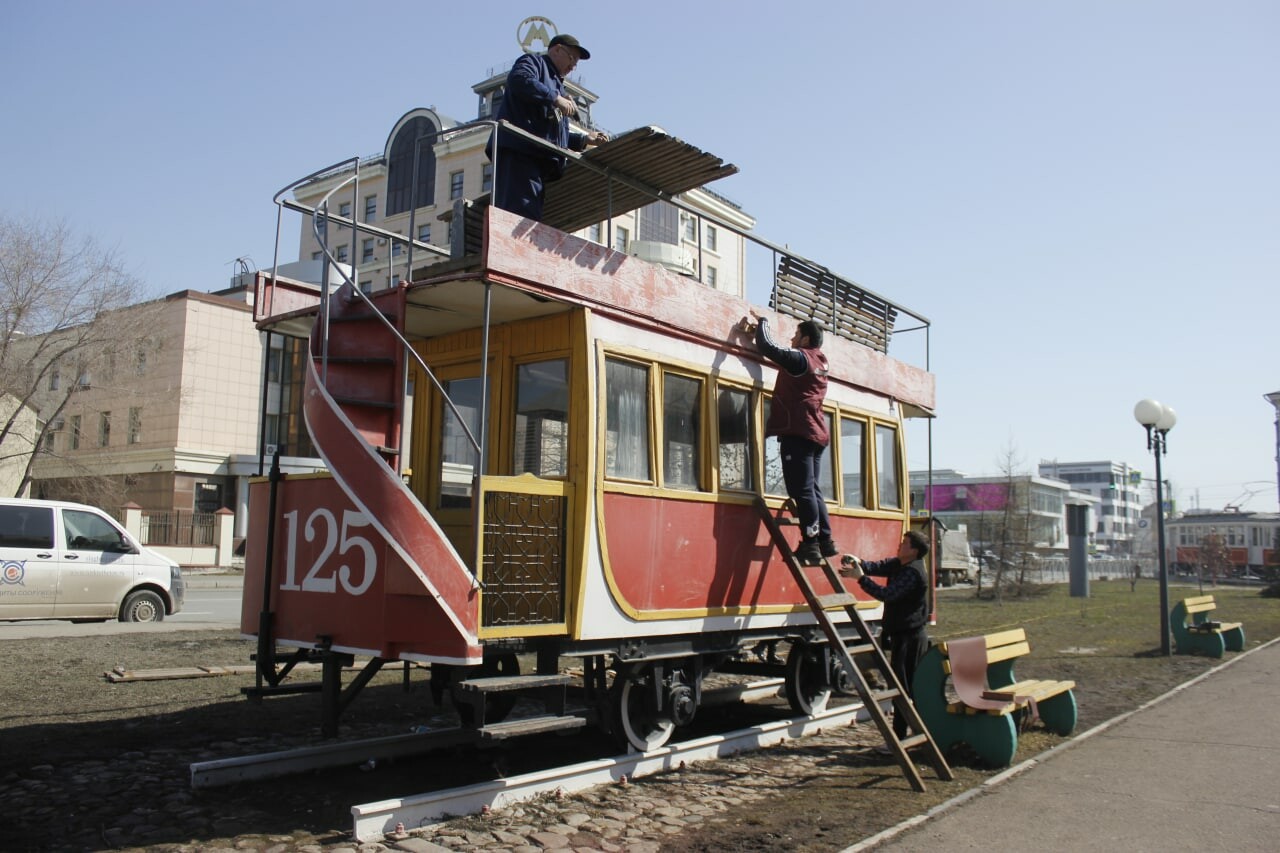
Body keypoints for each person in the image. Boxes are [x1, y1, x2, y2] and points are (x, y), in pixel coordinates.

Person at [745, 309, 835, 566]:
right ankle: (825, 540)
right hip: (815, 431)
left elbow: (768, 347)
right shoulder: (820, 362)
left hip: (798, 431)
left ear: (806, 339)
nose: (792, 338)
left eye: (796, 334)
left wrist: (762, 322)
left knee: (802, 490)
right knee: (813, 490)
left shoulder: (800, 359)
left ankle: (811, 543)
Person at [488, 33, 608, 221]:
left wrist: (584, 140)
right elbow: (519, 79)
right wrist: (554, 98)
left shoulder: (556, 85)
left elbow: (553, 136)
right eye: (572, 58)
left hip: (537, 159)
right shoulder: (534, 63)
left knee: (528, 215)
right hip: (520, 151)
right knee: (518, 214)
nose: (573, 66)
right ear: (557, 49)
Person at [840, 530, 930, 742]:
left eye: (905, 544)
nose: (900, 546)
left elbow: (887, 594)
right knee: (901, 687)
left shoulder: (913, 572)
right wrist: (859, 562)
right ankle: (910, 735)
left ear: (914, 551)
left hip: (910, 638)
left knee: (903, 689)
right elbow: (880, 566)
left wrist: (860, 578)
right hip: (902, 635)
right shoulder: (902, 564)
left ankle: (903, 737)